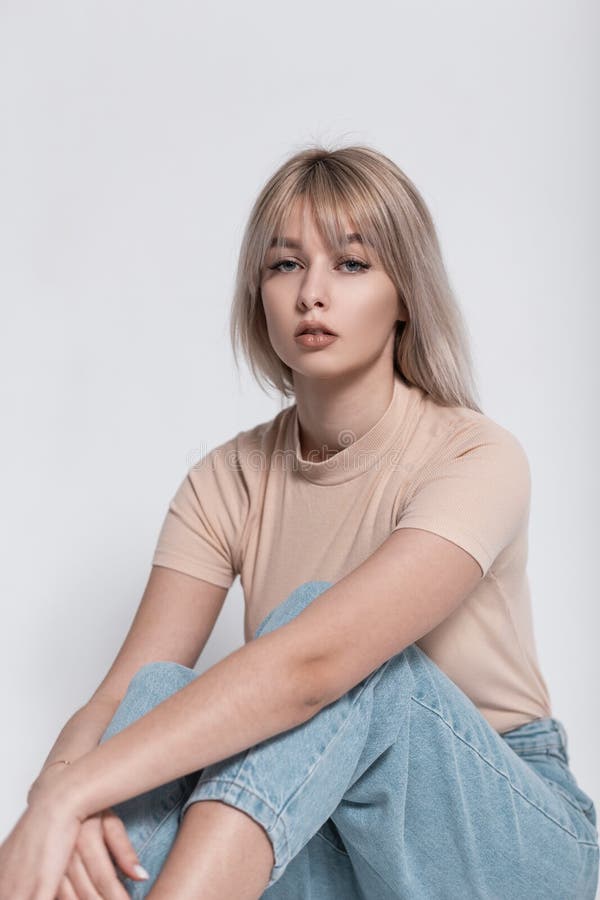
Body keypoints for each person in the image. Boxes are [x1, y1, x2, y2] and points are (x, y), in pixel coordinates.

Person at [1, 145, 598, 900]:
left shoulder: (475, 455)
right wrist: (57, 797)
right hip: (326, 830)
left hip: (505, 841)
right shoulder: (228, 478)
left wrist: (70, 793)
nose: (312, 292)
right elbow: (121, 694)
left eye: (351, 265)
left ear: (404, 293)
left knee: (340, 656)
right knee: (153, 695)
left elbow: (312, 671)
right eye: (285, 265)